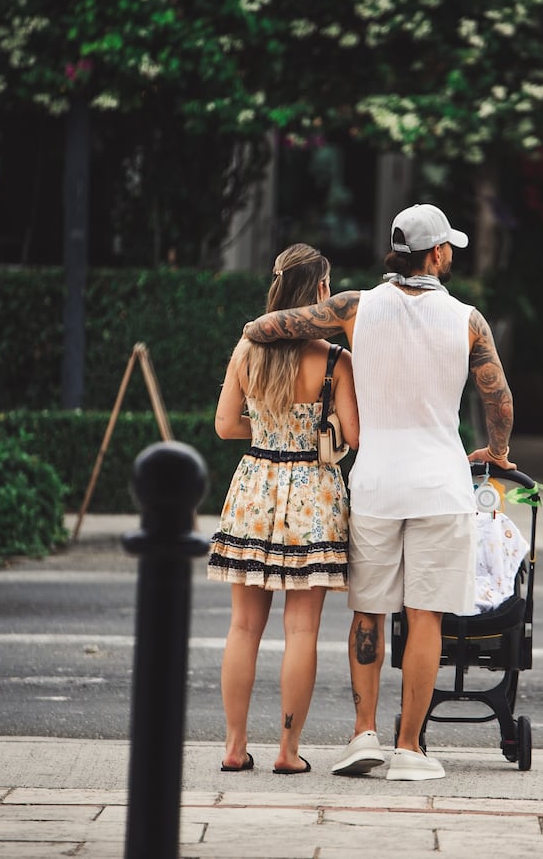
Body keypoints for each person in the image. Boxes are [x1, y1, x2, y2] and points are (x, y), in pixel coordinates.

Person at [243, 203, 515, 781]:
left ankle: (363, 734)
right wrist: (496, 451)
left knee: (367, 612)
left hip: (375, 486)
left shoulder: (354, 308)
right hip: (441, 487)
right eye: (450, 249)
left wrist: (253, 330)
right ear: (437, 253)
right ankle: (410, 749)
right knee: (426, 619)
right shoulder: (469, 320)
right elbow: (500, 400)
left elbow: (271, 328)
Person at [208, 243, 359, 776]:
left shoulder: (247, 350)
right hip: (312, 492)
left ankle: (233, 745)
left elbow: (226, 426)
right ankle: (288, 751)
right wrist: (309, 431)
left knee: (243, 628)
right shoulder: (336, 361)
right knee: (302, 632)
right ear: (321, 292)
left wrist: (270, 427)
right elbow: (355, 435)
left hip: (254, 485)